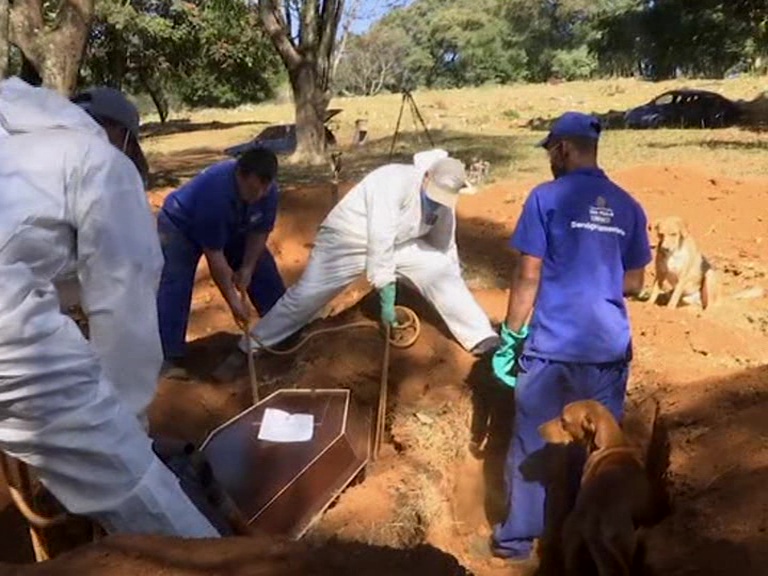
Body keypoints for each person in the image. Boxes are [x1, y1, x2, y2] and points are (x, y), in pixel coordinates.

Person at [0, 77, 220, 537]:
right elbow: (125, 313)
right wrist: (128, 431)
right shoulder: (99, 163)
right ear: (120, 135)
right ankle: (200, 554)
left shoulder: (17, 140)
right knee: (135, 485)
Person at [490, 112, 651, 562]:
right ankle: (582, 543)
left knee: (533, 441)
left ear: (562, 148)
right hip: (608, 350)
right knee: (597, 450)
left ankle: (519, 542)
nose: (549, 160)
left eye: (550, 151)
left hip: (553, 347)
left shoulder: (547, 198)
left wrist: (511, 334)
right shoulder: (629, 205)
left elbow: (528, 273)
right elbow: (636, 282)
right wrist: (597, 277)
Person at [231, 149, 498, 361]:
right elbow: (379, 238)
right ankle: (249, 347)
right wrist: (387, 294)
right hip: (346, 240)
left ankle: (480, 338)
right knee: (306, 297)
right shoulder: (393, 181)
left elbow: (444, 245)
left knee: (438, 267)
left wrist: (448, 272)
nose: (437, 200)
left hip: (401, 244)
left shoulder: (444, 200)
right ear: (426, 176)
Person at [156, 148, 285, 374]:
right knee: (176, 281)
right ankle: (168, 356)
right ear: (240, 175)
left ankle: (284, 327)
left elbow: (259, 233)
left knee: (262, 267)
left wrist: (247, 268)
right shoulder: (215, 194)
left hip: (235, 224)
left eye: (266, 187)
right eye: (255, 188)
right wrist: (234, 302)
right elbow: (215, 256)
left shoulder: (268, 192)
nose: (261, 194)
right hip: (181, 224)